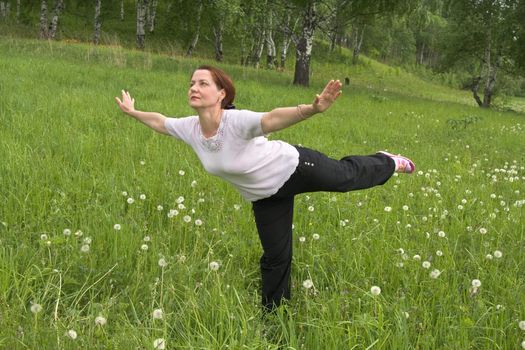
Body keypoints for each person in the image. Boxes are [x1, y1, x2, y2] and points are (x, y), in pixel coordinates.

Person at [115, 65, 415, 311]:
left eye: (203, 83)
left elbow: (271, 119)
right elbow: (160, 122)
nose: (194, 87)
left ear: (221, 94)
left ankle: (386, 161)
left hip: (293, 167)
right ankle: (275, 313)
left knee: (345, 178)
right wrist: (132, 113)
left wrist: (312, 109)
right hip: (265, 195)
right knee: (275, 255)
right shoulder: (190, 128)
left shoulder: (236, 121)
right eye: (192, 82)